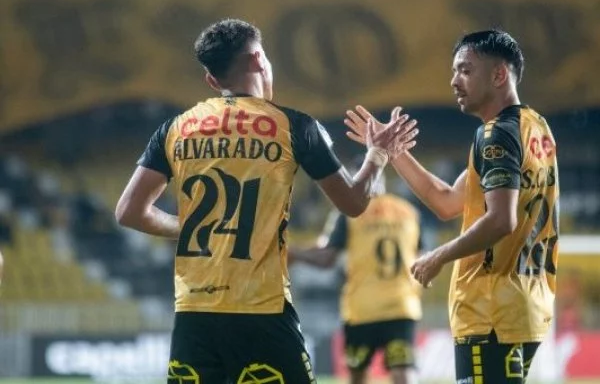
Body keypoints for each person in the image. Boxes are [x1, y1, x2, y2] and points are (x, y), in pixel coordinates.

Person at [115, 19, 418, 384]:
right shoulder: (295, 126)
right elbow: (354, 203)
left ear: (211, 80)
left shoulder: (175, 128)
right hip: (261, 311)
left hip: (194, 312)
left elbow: (129, 212)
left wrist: (187, 226)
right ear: (259, 59)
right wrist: (377, 155)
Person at [344, 30, 559, 384]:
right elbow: (446, 201)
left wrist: (438, 256)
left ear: (499, 75)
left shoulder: (495, 135)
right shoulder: (536, 128)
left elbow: (501, 220)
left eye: (465, 70)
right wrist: (393, 152)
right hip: (525, 305)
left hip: (491, 309)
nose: (454, 81)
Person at [289, 163, 423, 384]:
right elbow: (421, 256)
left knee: (357, 375)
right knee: (403, 372)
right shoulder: (409, 212)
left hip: (363, 308)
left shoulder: (351, 213)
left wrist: (293, 254)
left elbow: (327, 258)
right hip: (401, 305)